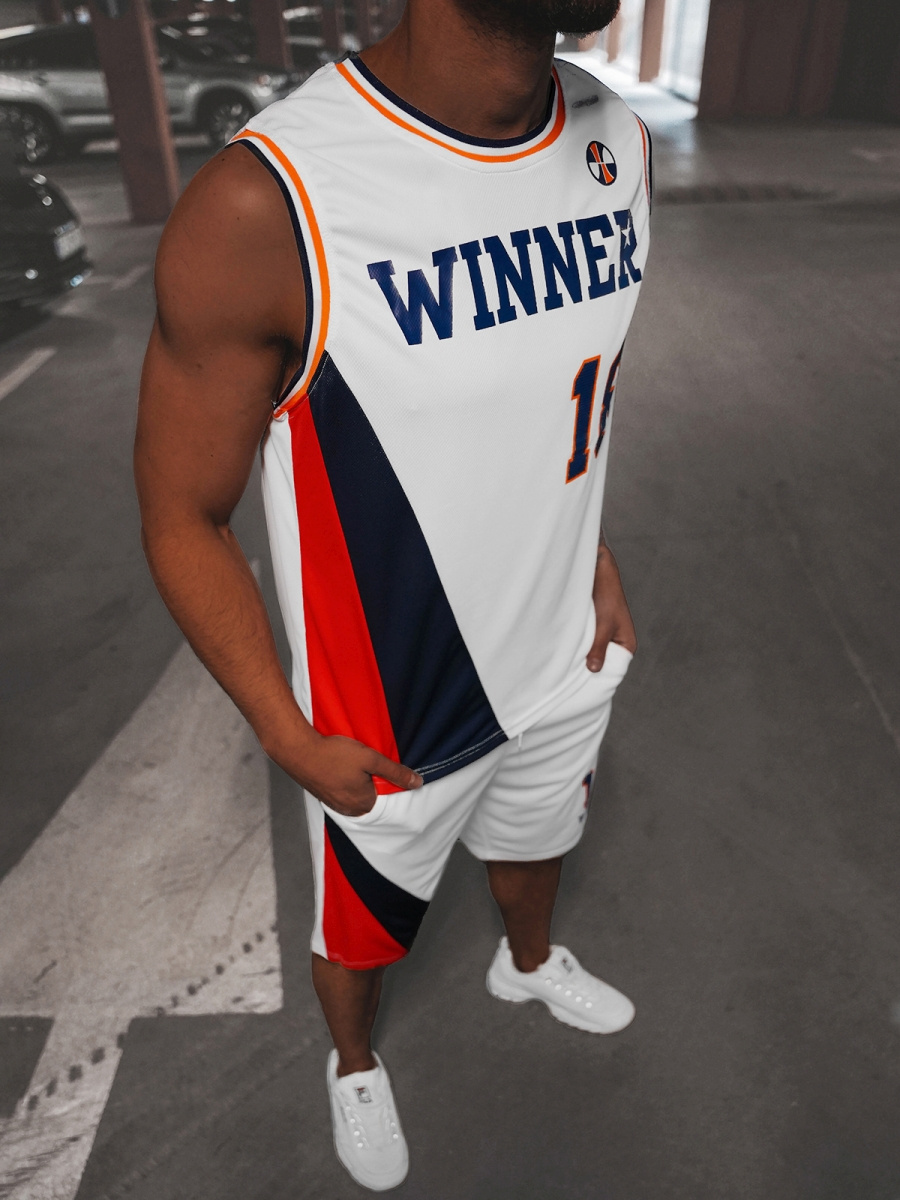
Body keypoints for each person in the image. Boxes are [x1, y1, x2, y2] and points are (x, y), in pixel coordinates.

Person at [135, 0, 651, 1189]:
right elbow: (180, 513)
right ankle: (355, 1064)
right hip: (389, 713)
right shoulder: (268, 202)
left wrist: (595, 555)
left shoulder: (616, 138)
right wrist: (285, 730)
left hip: (563, 653)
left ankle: (528, 963)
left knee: (542, 840)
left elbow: (561, 390)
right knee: (362, 937)